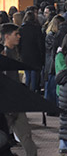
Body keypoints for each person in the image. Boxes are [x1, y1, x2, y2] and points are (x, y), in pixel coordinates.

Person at [1, 23, 39, 156]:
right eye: (16, 34)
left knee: (25, 134)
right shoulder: (5, 53)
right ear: (7, 36)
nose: (19, 36)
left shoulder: (12, 51)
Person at [18, 11, 44, 93]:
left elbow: (19, 44)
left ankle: (25, 92)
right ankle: (32, 92)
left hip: (24, 55)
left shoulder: (21, 29)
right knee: (34, 76)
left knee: (27, 75)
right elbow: (40, 44)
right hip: (35, 55)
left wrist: (20, 53)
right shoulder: (37, 29)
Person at [44, 14, 65, 107]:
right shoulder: (52, 36)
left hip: (50, 62)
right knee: (51, 87)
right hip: (51, 63)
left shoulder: (51, 35)